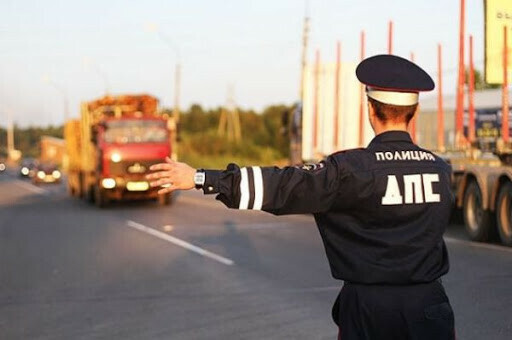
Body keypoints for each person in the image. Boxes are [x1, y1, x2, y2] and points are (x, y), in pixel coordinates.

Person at [146, 54, 455, 340]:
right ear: (413, 112)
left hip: (369, 310)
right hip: (430, 306)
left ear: (371, 109)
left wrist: (202, 177)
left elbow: (283, 186)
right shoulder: (441, 170)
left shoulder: (350, 169)